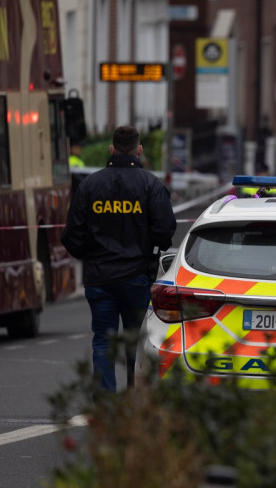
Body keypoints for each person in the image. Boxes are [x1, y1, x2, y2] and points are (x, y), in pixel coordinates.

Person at [61, 126, 177, 395]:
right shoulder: (151, 185)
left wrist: (90, 257)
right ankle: (133, 402)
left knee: (102, 340)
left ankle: (104, 401)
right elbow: (164, 231)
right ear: (139, 150)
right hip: (137, 277)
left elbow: (71, 235)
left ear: (111, 149)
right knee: (135, 343)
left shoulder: (90, 185)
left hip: (99, 278)